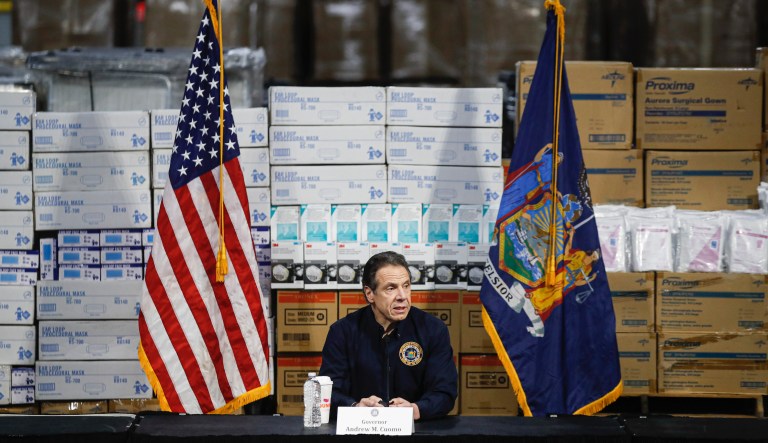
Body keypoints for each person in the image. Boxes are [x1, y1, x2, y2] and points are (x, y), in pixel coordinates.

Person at [319, 251, 457, 421]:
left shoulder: (433, 329)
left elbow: (445, 393)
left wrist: (416, 409)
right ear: (370, 294)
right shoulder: (342, 332)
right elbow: (328, 393)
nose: (402, 296)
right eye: (391, 288)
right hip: (360, 431)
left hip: (418, 432)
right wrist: (354, 407)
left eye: (406, 286)